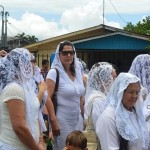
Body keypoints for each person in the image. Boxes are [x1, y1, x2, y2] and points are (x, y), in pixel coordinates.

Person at [0, 48, 42, 150]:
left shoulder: (26, 86)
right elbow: (19, 128)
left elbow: (34, 115)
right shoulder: (14, 89)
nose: (34, 65)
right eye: (30, 61)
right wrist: (36, 148)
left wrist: (40, 140)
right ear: (20, 64)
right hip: (14, 146)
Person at [46, 40, 85, 150]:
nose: (68, 55)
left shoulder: (77, 72)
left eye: (71, 52)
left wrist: (83, 117)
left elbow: (81, 96)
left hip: (77, 120)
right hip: (62, 121)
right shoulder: (54, 72)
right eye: (64, 53)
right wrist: (53, 122)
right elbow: (47, 97)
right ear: (59, 55)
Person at [96, 73, 149, 150]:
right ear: (120, 92)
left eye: (137, 92)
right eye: (131, 92)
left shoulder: (135, 113)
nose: (134, 96)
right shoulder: (108, 117)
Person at [84, 62, 116, 130]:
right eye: (113, 77)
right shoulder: (98, 101)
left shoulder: (103, 96)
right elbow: (100, 127)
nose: (115, 81)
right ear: (103, 79)